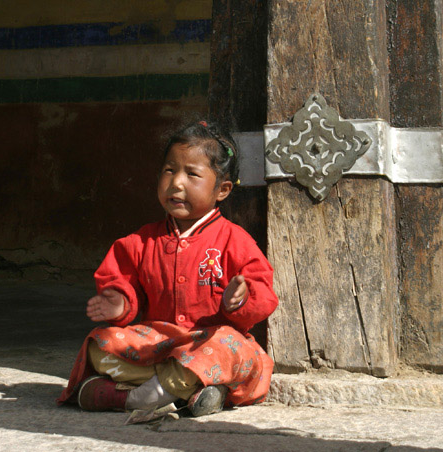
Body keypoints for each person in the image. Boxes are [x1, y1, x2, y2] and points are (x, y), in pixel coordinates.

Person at [57, 120, 278, 417]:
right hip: (157, 343)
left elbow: (262, 292)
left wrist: (240, 299)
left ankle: (135, 397)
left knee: (233, 350)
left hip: (208, 343)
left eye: (192, 174)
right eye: (170, 170)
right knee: (100, 343)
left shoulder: (235, 240)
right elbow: (120, 281)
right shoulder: (140, 241)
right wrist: (119, 303)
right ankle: (190, 391)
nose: (176, 183)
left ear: (222, 190)